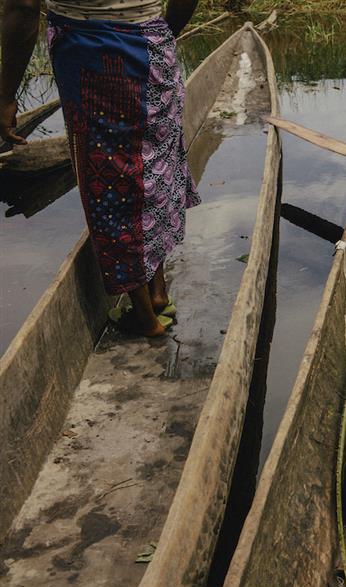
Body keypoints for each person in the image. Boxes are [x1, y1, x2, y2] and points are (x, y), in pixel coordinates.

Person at [1, 0, 200, 337]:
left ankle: (145, 319)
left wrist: (5, 96)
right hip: (153, 44)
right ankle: (157, 292)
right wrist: (163, 33)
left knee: (110, 179)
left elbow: (23, 6)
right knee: (154, 167)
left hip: (91, 50)